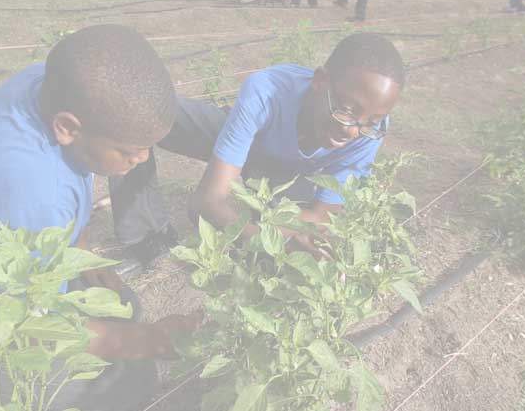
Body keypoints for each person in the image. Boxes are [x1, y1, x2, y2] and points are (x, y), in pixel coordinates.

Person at [0, 24, 196, 411]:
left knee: (126, 309)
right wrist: (150, 341)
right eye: (128, 150)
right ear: (67, 127)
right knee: (116, 382)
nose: (141, 160)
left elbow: (75, 183)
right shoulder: (31, 188)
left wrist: (81, 250)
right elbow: (31, 329)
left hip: (6, 271)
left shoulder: (47, 85)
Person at [109, 32, 405, 269]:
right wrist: (269, 243)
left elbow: (319, 216)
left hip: (289, 174)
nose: (353, 130)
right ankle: (147, 234)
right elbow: (203, 204)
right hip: (246, 139)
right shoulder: (268, 91)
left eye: (370, 122)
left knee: (277, 232)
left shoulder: (369, 133)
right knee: (146, 110)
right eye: (345, 110)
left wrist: (281, 241)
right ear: (320, 81)